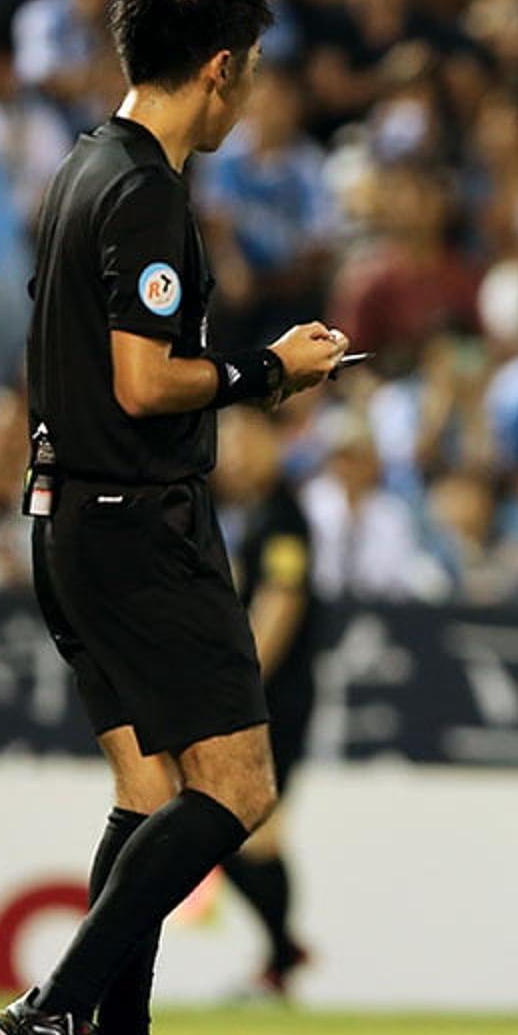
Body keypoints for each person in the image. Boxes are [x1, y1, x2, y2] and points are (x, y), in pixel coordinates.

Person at [0, 0, 348, 1035]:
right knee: (238, 787)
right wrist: (268, 370)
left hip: (67, 521)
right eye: (247, 78)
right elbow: (145, 383)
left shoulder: (80, 168)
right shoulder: (147, 187)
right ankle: (56, 1008)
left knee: (149, 798)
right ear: (221, 69)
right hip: (139, 521)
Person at [213, 406, 315, 997]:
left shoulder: (283, 516)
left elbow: (281, 603)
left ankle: (279, 958)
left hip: (274, 699)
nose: (234, 454)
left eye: (245, 440)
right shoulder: (250, 515)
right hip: (263, 697)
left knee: (241, 826)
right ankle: (281, 955)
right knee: (243, 830)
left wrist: (234, 683)